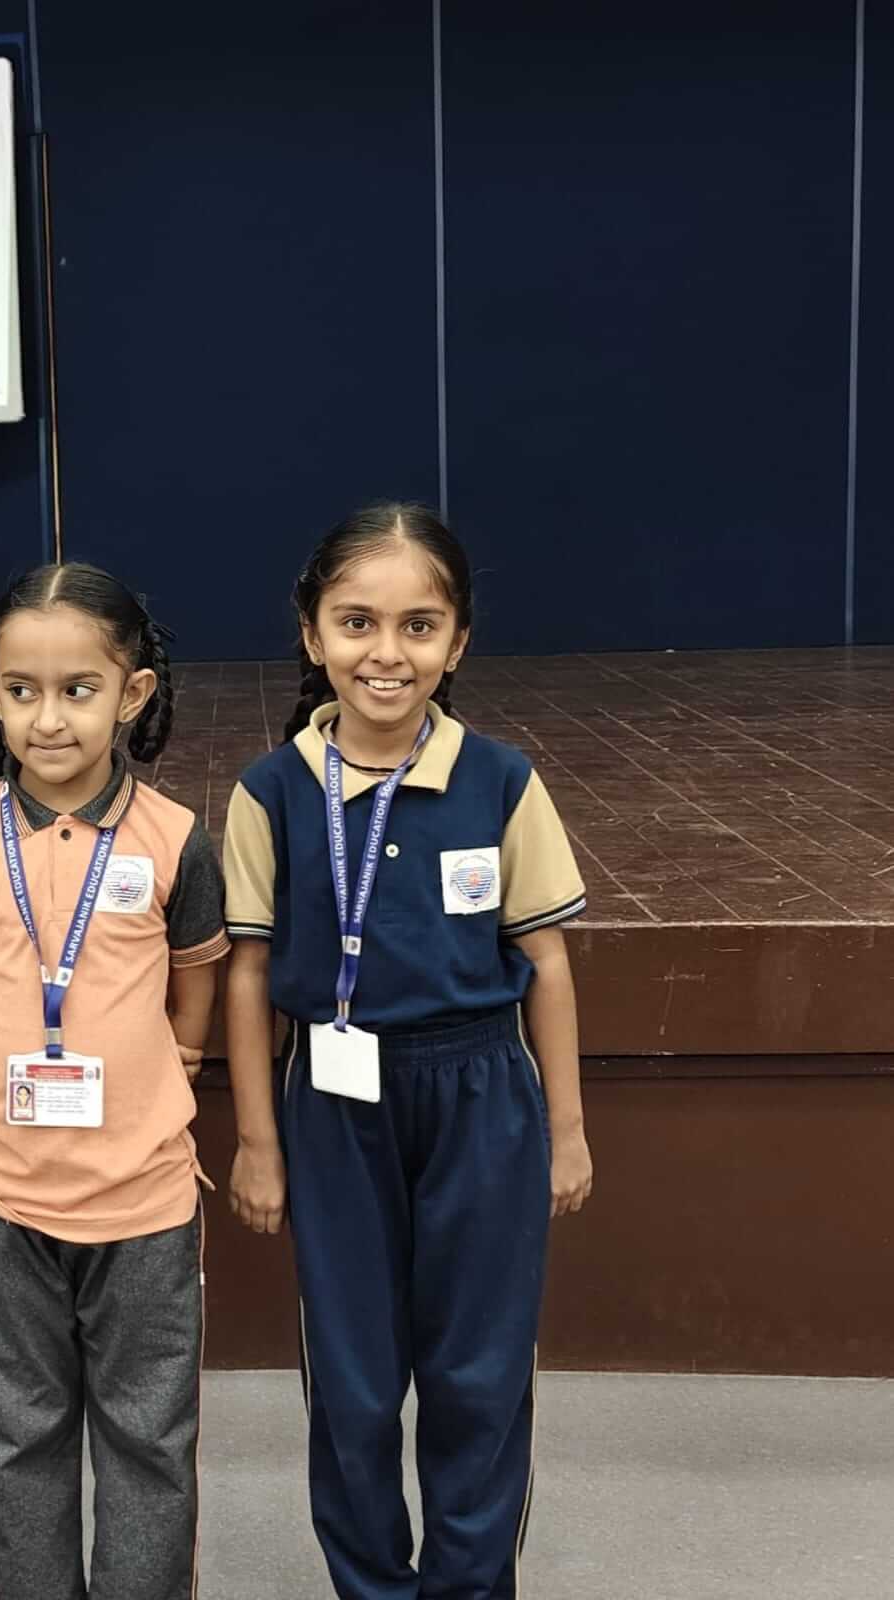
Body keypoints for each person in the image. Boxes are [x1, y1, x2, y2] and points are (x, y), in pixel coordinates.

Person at [221, 504, 593, 1600]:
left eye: (418, 625)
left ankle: (470, 1586)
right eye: (357, 622)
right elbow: (247, 975)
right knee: (354, 1379)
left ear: (458, 642)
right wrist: (257, 1141)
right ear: (311, 633)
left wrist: (566, 1130)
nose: (386, 653)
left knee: (480, 1372)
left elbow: (548, 964)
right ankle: (373, 1586)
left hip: (481, 1092)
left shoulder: (502, 780)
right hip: (332, 1101)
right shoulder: (270, 792)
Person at [0, 563, 228, 1600]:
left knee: (148, 1438)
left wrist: (178, 1058)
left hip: (143, 1198)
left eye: (79, 689)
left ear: (132, 693)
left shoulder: (176, 836)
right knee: (14, 1437)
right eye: (23, 690)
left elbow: (198, 972)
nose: (50, 718)